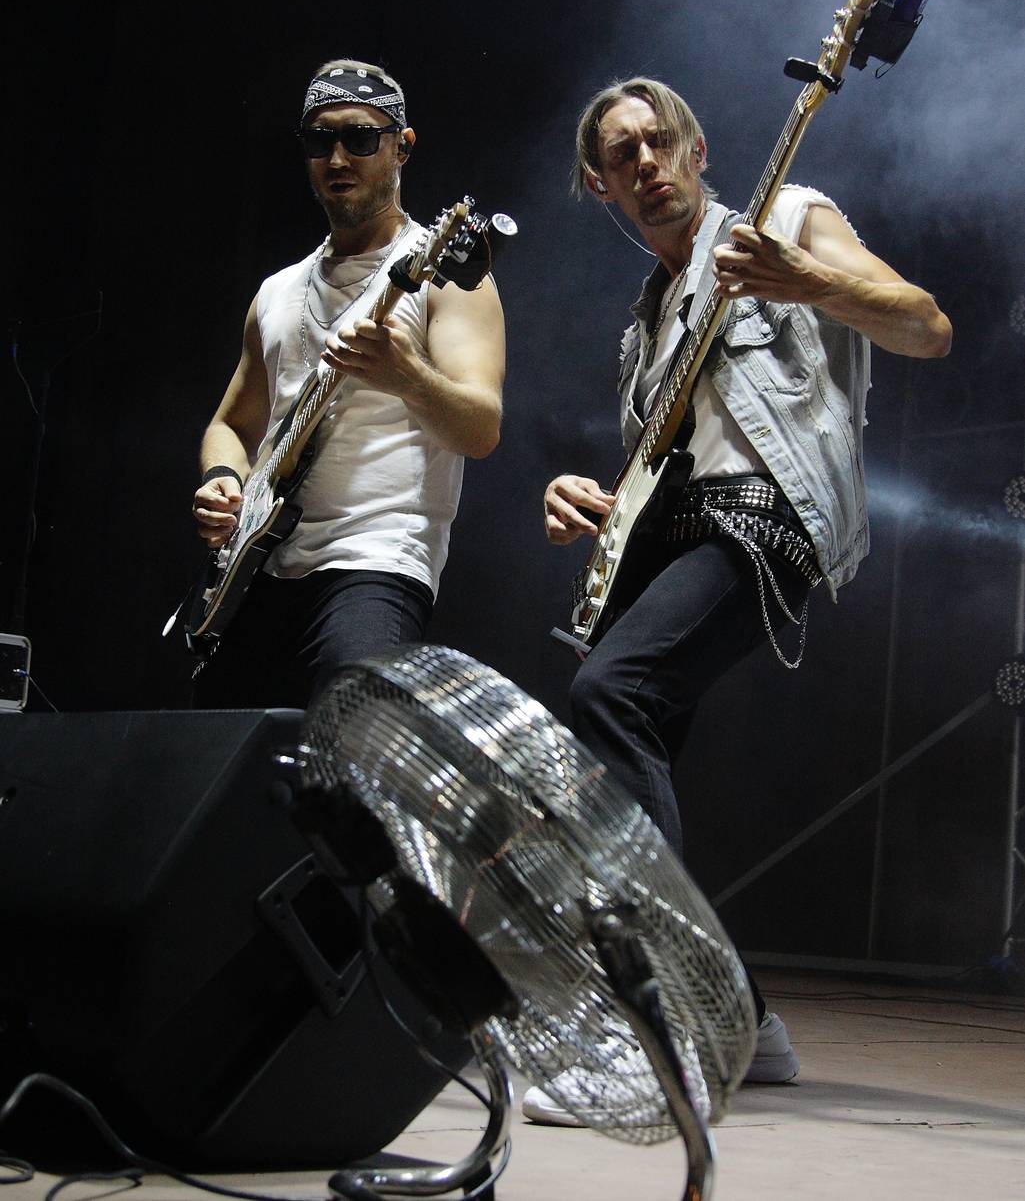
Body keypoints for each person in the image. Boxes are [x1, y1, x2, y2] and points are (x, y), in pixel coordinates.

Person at [524, 76, 951, 1122]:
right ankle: (747, 1024)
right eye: (621, 155)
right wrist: (587, 498)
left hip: (769, 517)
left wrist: (803, 279)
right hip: (686, 530)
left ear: (698, 148)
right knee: (608, 766)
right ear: (599, 184)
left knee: (611, 693)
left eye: (659, 140)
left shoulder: (786, 216)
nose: (646, 163)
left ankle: (668, 1021)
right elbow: (656, 479)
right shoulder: (641, 334)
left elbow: (925, 326)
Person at [189, 58, 505, 708]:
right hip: (261, 565)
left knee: (351, 723)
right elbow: (231, 425)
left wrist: (408, 376)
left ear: (401, 147)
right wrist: (222, 480)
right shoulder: (275, 292)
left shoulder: (444, 277)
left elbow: (480, 429)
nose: (337, 158)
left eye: (360, 138)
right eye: (319, 140)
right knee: (221, 753)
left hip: (377, 561)